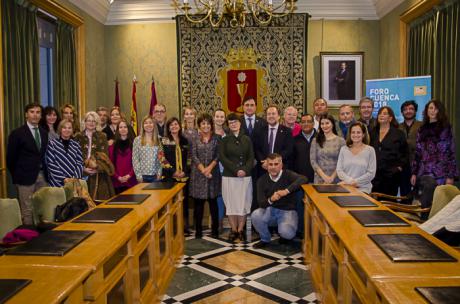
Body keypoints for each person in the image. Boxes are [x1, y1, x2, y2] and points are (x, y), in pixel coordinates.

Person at [252, 153, 308, 248]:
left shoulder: (288, 174)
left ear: (281, 165)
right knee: (255, 215)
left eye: (276, 164)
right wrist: (271, 199)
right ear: (267, 166)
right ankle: (265, 238)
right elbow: (261, 203)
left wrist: (286, 191)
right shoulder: (261, 180)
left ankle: (284, 234)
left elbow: (303, 179)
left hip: (288, 211)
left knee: (287, 233)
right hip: (270, 211)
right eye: (270, 164)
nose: (273, 167)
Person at [7, 103, 48, 224]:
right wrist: (18, 176)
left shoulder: (44, 132)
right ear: (26, 114)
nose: (35, 115)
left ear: (41, 115)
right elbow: (10, 158)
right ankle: (29, 238)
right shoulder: (17, 133)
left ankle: (42, 238)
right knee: (27, 210)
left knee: (42, 208)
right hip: (24, 178)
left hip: (43, 176)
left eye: (38, 112)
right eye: (32, 112)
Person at [218, 113, 254, 242]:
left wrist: (244, 169)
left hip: (245, 177)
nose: (233, 124)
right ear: (228, 125)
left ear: (240, 123)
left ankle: (240, 230)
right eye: (231, 122)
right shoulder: (224, 140)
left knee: (243, 203)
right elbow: (222, 158)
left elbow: (251, 157)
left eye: (235, 122)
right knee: (232, 203)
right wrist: (236, 170)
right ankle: (233, 230)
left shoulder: (247, 139)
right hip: (229, 176)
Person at [411, 100, 458, 186]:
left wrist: (450, 176)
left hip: (441, 174)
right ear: (426, 110)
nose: (433, 111)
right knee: (424, 199)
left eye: (436, 109)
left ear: (440, 111)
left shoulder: (446, 128)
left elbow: (451, 153)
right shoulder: (421, 129)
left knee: (440, 199)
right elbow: (418, 153)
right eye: (431, 108)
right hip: (423, 174)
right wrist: (414, 173)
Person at [189, 113, 220, 238]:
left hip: (213, 174)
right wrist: (203, 170)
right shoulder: (195, 138)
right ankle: (198, 231)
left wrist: (209, 168)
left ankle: (215, 230)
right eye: (203, 123)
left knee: (213, 203)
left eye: (207, 123)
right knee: (198, 205)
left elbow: (218, 155)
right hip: (198, 175)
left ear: (211, 125)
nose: (205, 126)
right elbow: (194, 156)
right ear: (199, 125)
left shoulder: (217, 138)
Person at [75, 111, 115, 200]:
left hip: (98, 175)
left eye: (94, 121)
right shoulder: (77, 136)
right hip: (81, 174)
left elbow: (105, 156)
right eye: (88, 121)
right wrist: (83, 169)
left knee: (98, 204)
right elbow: (74, 157)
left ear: (97, 123)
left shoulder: (102, 136)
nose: (91, 123)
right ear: (84, 122)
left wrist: (96, 167)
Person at [370, 106, 408, 196]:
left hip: (391, 175)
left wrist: (399, 168)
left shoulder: (398, 134)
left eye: (384, 113)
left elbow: (405, 153)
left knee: (389, 202)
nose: (381, 115)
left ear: (390, 118)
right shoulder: (372, 132)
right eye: (380, 113)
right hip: (375, 175)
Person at [162, 117, 191, 233]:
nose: (174, 126)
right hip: (170, 177)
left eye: (176, 124)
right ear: (168, 128)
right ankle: (173, 227)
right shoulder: (164, 141)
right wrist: (173, 171)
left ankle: (184, 226)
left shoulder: (185, 141)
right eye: (171, 125)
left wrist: (184, 171)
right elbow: (162, 158)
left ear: (179, 126)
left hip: (184, 177)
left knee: (184, 203)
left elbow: (189, 158)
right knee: (172, 204)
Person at [292, 113, 316, 236]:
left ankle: (315, 233)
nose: (306, 124)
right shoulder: (295, 140)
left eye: (308, 121)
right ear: (300, 124)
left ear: (313, 123)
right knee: (300, 208)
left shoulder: (320, 138)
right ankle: (301, 231)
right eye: (303, 122)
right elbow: (291, 160)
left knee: (315, 209)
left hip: (316, 181)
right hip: (299, 182)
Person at [336, 122, 376, 193]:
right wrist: (351, 182)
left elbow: (371, 173)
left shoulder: (370, 150)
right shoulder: (343, 149)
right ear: (350, 134)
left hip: (363, 190)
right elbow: (339, 170)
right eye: (353, 132)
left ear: (363, 134)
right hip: (345, 188)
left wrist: (354, 182)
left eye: (358, 132)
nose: (355, 135)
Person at [253, 105, 294, 173]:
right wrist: (264, 161)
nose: (271, 116)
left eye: (273, 114)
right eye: (269, 114)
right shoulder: (260, 131)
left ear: (278, 116)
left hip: (281, 168)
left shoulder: (287, 131)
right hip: (264, 168)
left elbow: (288, 150)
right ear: (266, 117)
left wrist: (274, 162)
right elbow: (257, 149)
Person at [46, 119, 84, 187]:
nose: (67, 130)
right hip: (57, 182)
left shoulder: (76, 145)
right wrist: (63, 179)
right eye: (64, 127)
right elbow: (51, 164)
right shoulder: (52, 144)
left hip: (74, 182)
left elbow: (80, 163)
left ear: (72, 130)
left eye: (69, 128)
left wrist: (74, 178)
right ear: (60, 129)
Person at [310, 115, 346, 184]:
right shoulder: (315, 140)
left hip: (336, 179)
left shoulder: (341, 141)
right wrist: (324, 177)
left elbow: (342, 162)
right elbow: (313, 161)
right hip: (320, 179)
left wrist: (332, 177)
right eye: (322, 124)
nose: (324, 126)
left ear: (332, 124)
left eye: (327, 123)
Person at [398, 100, 422, 195]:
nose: (408, 111)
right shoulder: (397, 127)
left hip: (419, 164)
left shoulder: (422, 125)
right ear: (402, 112)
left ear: (415, 111)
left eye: (411, 109)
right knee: (405, 193)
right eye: (405, 109)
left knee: (420, 193)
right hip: (403, 165)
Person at [132, 115, 165, 183]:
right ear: (143, 125)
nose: (148, 125)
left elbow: (161, 158)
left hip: (156, 176)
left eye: (150, 122)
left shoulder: (159, 139)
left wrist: (159, 173)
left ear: (154, 125)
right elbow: (135, 159)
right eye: (146, 123)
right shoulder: (137, 140)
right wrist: (138, 175)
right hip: (142, 176)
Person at [108, 119, 137, 194]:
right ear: (117, 130)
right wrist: (118, 177)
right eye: (120, 127)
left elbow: (137, 163)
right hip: (117, 182)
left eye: (125, 127)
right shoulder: (112, 147)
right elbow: (111, 164)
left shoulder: (135, 145)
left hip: (132, 180)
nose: (123, 129)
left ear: (128, 129)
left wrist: (129, 175)